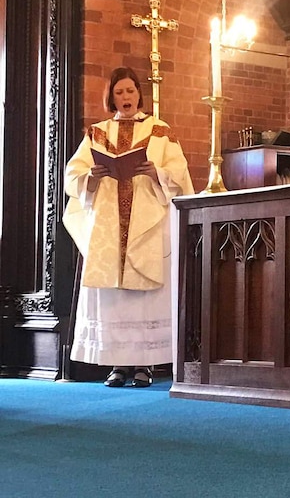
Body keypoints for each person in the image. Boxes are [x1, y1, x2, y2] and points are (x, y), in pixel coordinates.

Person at [63, 66, 194, 388]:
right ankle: (118, 365)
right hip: (108, 224)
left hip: (146, 224)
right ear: (112, 97)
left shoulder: (160, 130)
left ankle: (144, 366)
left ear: (139, 95)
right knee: (114, 297)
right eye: (119, 92)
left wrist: (156, 173)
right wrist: (89, 178)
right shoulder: (96, 132)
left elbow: (180, 172)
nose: (126, 97)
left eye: (131, 91)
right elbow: (72, 174)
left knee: (144, 296)